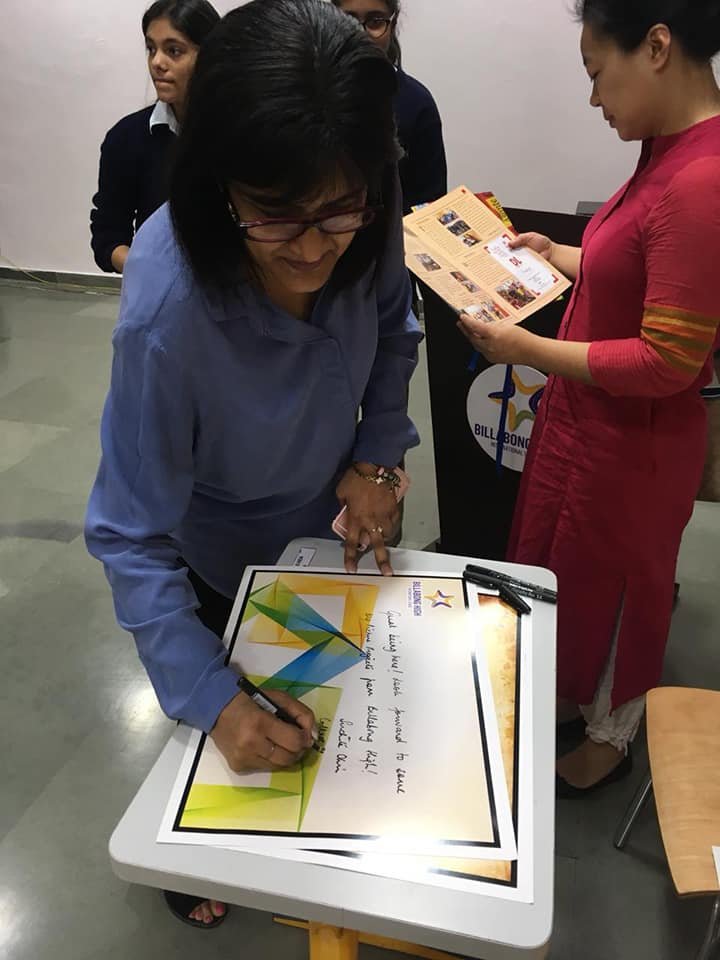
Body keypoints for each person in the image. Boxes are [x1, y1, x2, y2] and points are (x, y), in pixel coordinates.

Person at [85, 0, 421, 927]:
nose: (313, 248)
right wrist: (211, 699)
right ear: (220, 185)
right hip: (220, 555)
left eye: (338, 212)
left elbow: (395, 328)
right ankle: (192, 869)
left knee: (332, 723)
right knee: (236, 741)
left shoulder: (361, 197)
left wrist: (378, 457)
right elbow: (129, 535)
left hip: (332, 521)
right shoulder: (168, 315)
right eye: (277, 217)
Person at [459, 0, 720, 795]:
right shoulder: (666, 155)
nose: (594, 97)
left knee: (623, 586)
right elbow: (633, 267)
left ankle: (613, 735)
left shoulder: (701, 180)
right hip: (593, 425)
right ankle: (575, 696)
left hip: (635, 442)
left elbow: (667, 359)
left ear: (657, 47)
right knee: (570, 566)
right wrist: (559, 254)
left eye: (597, 72)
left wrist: (524, 350)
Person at [89, 0, 220, 273]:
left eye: (174, 51)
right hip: (159, 291)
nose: (157, 62)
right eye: (151, 49)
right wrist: (150, 271)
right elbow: (108, 237)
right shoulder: (126, 138)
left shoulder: (243, 133)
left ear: (210, 55)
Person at [332, 0, 447, 214]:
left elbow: (431, 203)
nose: (360, 34)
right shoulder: (304, 92)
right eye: (347, 20)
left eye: (375, 21)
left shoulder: (417, 103)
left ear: (391, 25)